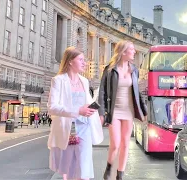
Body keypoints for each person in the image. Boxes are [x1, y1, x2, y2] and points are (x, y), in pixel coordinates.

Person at [47, 47, 103, 180]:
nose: (85, 63)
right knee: (69, 170)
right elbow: (52, 107)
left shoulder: (84, 81)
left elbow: (86, 103)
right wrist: (78, 110)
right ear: (71, 61)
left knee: (84, 170)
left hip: (84, 128)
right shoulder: (58, 80)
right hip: (67, 130)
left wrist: (92, 110)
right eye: (81, 60)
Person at [98, 40, 147, 180]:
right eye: (132, 49)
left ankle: (120, 174)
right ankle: (109, 167)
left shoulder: (134, 70)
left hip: (129, 111)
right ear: (124, 52)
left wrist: (144, 112)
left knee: (125, 143)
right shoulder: (110, 69)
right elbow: (102, 92)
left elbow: (138, 93)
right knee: (115, 143)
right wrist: (102, 112)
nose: (134, 52)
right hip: (114, 111)